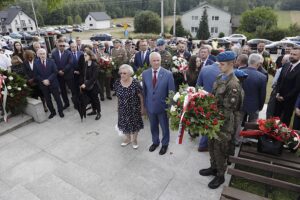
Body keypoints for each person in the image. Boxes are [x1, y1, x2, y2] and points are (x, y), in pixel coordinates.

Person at [199, 51, 243, 189]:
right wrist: (205, 98)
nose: (219, 66)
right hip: (214, 119)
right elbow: (214, 96)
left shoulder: (233, 84)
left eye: (222, 64)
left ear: (231, 64)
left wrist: (210, 106)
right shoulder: (220, 77)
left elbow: (228, 108)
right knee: (211, 145)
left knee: (220, 149)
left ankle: (220, 175)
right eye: (219, 63)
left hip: (224, 123)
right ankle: (213, 167)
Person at [142, 52, 175, 155]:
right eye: (154, 60)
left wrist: (170, 108)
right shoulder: (145, 73)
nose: (156, 63)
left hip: (163, 107)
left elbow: (171, 93)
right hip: (150, 107)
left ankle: (165, 144)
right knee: (153, 126)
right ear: (150, 61)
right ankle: (155, 142)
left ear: (160, 61)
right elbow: (144, 91)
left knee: (164, 127)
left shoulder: (168, 74)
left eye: (158, 60)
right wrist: (145, 106)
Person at [114, 64, 144, 149]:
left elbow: (141, 97)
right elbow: (117, 96)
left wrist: (142, 108)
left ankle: (134, 139)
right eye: (121, 73)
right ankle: (127, 138)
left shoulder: (135, 83)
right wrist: (117, 106)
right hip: (122, 108)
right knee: (124, 124)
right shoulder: (117, 82)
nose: (122, 75)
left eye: (124, 73)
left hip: (134, 109)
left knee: (134, 125)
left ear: (130, 74)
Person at [33, 48, 64, 119]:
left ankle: (60, 111)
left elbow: (55, 71)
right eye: (40, 54)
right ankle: (52, 112)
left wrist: (48, 80)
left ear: (46, 54)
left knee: (57, 98)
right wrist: (43, 81)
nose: (42, 55)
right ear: (38, 55)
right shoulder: (36, 63)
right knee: (48, 99)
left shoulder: (51, 61)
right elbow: (36, 75)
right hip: (43, 84)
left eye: (43, 53)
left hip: (53, 83)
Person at [275, 47, 300, 126]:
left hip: (290, 101)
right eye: (291, 54)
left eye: (294, 54)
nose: (291, 56)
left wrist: (285, 97)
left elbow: (297, 87)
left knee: (285, 123)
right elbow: (279, 80)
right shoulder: (286, 64)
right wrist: (278, 92)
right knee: (275, 120)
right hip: (279, 98)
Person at [241, 54, 267, 125]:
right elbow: (262, 94)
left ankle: (237, 136)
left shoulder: (239, 72)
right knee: (252, 128)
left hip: (240, 104)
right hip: (254, 106)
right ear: (258, 64)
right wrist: (260, 107)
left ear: (248, 62)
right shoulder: (262, 77)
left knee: (238, 125)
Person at [51, 39, 76, 109]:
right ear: (57, 46)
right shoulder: (54, 53)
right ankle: (66, 103)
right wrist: (58, 71)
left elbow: (70, 63)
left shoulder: (69, 53)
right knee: (63, 91)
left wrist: (63, 71)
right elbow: (53, 64)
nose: (62, 47)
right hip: (59, 76)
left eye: (63, 45)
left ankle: (75, 102)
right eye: (60, 45)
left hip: (68, 74)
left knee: (72, 90)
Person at [80, 49, 101, 120]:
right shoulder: (85, 64)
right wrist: (83, 83)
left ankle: (98, 113)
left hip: (94, 86)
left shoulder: (95, 65)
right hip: (87, 86)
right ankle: (94, 111)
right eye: (84, 56)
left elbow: (94, 78)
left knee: (95, 100)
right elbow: (84, 75)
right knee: (91, 99)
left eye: (85, 55)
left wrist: (85, 84)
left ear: (90, 56)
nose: (84, 57)